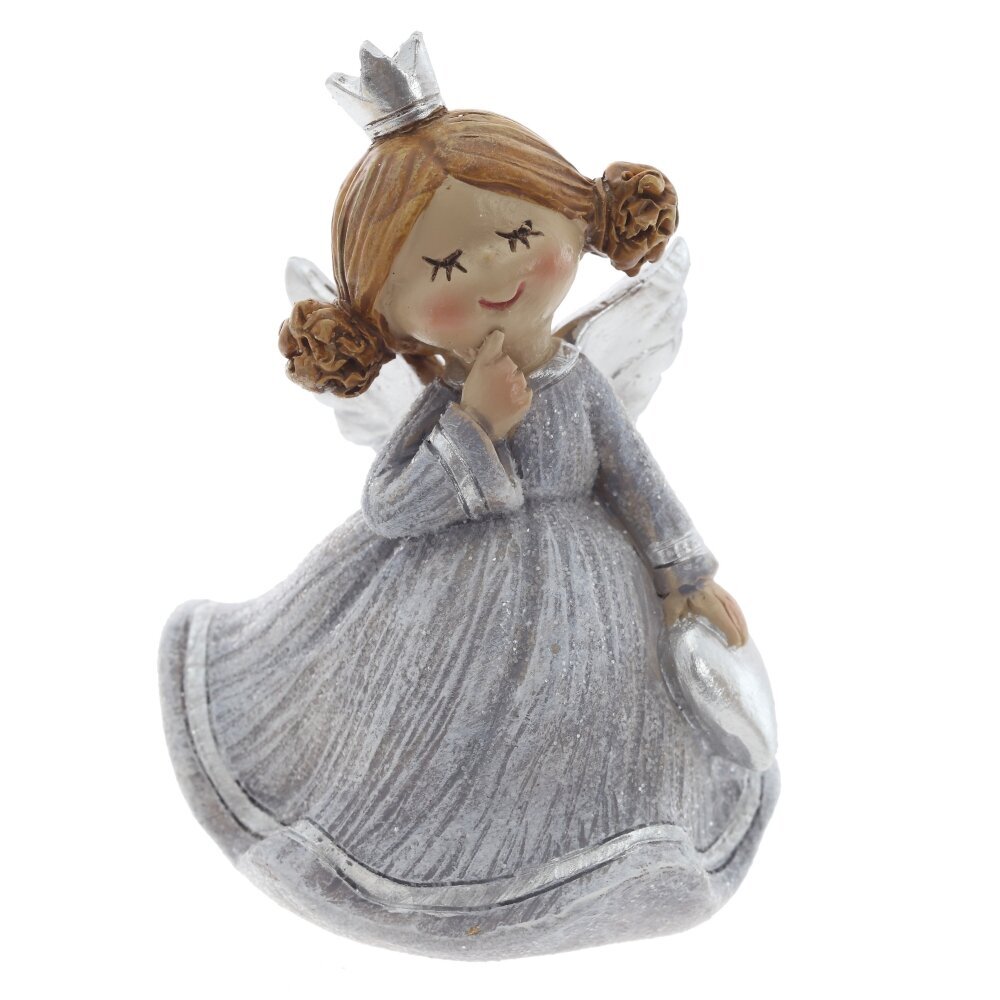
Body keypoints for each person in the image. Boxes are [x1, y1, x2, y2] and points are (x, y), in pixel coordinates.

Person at [160, 36, 777, 960]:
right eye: (446, 267)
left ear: (578, 224)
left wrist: (684, 576)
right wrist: (475, 426)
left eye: (521, 236)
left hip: (595, 602)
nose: (496, 271)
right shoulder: (444, 405)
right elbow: (390, 506)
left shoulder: (581, 383)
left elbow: (635, 476)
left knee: (591, 730)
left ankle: (580, 851)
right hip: (446, 598)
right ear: (386, 316)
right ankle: (442, 857)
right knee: (433, 722)